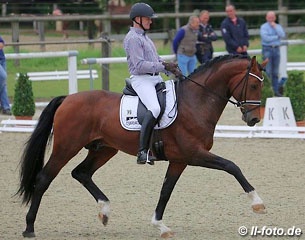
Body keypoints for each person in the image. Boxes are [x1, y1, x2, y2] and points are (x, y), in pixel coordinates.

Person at [123, 2, 182, 165]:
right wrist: (164, 66)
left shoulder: (144, 37)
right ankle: (142, 151)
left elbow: (155, 61)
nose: (151, 21)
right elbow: (140, 65)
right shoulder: (133, 39)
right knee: (155, 108)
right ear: (138, 19)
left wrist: (170, 69)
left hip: (154, 78)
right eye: (148, 19)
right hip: (142, 80)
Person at [260, 11, 286, 97]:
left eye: (272, 17)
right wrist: (276, 37)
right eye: (269, 17)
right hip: (267, 49)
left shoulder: (278, 26)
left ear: (275, 18)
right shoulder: (263, 27)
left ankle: (276, 91)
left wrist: (275, 28)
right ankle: (267, 91)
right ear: (266, 18)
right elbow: (266, 38)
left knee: (275, 72)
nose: (271, 19)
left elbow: (282, 34)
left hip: (276, 49)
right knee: (268, 71)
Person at [0, 36, 11, 115]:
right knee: (3, 77)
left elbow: (1, 44)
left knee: (3, 84)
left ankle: (5, 107)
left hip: (2, 59)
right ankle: (5, 107)